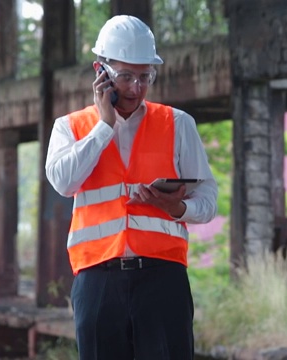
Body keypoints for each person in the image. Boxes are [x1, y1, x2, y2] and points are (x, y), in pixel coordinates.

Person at [44, 15, 218, 360]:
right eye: (125, 76)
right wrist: (104, 126)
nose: (136, 88)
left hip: (163, 279)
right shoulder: (70, 128)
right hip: (97, 280)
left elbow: (209, 200)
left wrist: (178, 208)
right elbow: (64, 183)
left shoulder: (178, 124)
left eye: (145, 77)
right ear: (101, 71)